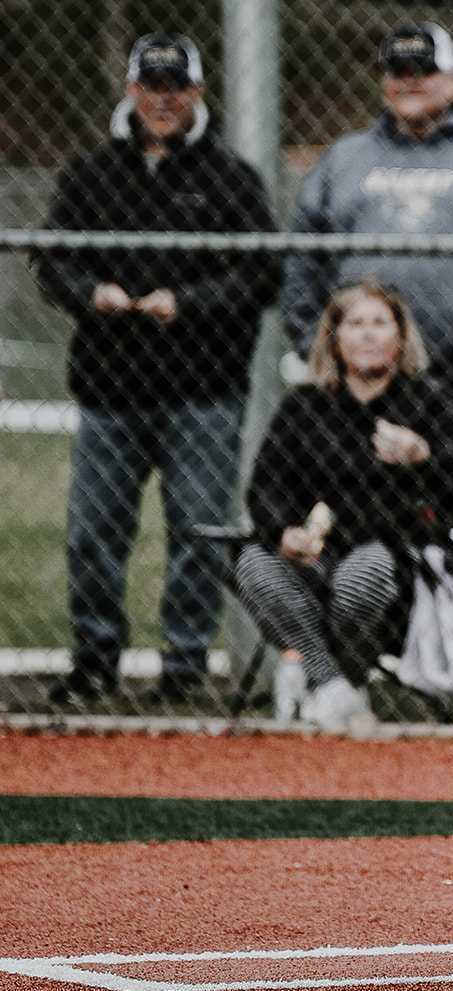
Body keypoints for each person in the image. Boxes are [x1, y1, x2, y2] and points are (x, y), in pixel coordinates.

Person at [30, 32, 277, 704]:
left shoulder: (232, 180)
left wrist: (187, 303)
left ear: (198, 92)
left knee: (198, 533)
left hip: (204, 392)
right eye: (151, 87)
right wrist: (93, 294)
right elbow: (51, 262)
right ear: (131, 89)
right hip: (110, 392)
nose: (162, 101)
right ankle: (94, 660)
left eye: (176, 88)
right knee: (92, 534)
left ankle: (185, 666)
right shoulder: (89, 174)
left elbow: (261, 274)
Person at [236, 282, 453, 732]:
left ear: (400, 336)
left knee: (359, 576)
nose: (368, 335)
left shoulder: (433, 401)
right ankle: (336, 686)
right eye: (355, 324)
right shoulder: (305, 406)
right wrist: (283, 531)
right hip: (313, 554)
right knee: (254, 561)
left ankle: (326, 678)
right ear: (334, 339)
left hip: (394, 555)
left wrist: (423, 457)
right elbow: (266, 486)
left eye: (379, 323)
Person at [281, 21, 453, 402]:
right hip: (354, 382)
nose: (409, 82)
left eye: (423, 71)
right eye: (398, 71)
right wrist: (316, 348)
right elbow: (300, 262)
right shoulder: (343, 159)